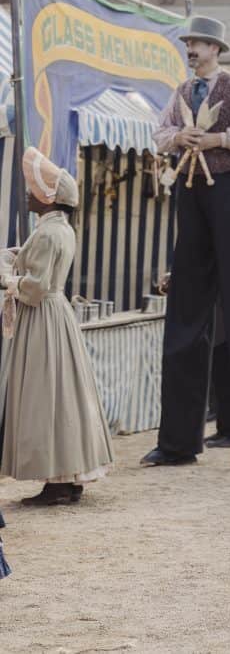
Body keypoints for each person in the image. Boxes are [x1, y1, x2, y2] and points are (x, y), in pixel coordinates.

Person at [144, 15, 230, 470]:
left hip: (228, 190)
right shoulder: (181, 93)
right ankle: (179, 442)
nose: (192, 49)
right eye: (189, 43)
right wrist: (179, 136)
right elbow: (159, 134)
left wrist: (221, 137)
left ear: (216, 49)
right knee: (185, 307)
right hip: (190, 191)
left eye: (199, 43)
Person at [0, 147, 114, 505]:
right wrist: (17, 260)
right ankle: (67, 475)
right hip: (54, 315)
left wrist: (7, 280)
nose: (30, 194)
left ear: (49, 198)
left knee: (46, 395)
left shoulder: (50, 233)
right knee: (61, 396)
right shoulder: (57, 229)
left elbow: (34, 289)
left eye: (35, 189)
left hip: (43, 317)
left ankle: (59, 480)